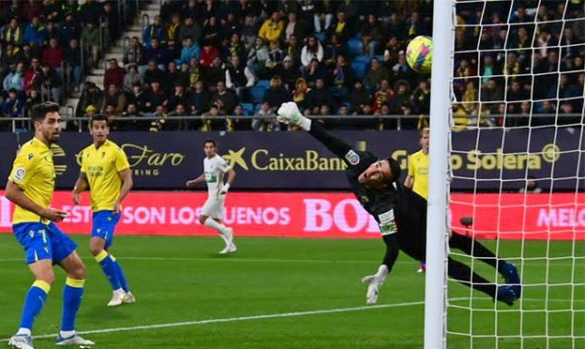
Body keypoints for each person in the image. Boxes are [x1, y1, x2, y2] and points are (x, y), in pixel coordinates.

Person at [275, 102, 521, 306]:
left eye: (377, 173)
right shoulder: (362, 164)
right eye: (375, 167)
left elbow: (391, 248)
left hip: (416, 208)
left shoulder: (384, 204)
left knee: (456, 239)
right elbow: (331, 142)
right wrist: (300, 118)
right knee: (447, 266)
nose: (370, 172)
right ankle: (498, 292)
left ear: (382, 183)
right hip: (410, 238)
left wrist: (381, 275)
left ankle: (506, 267)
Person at [5, 102, 92, 349]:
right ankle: (22, 334)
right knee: (46, 277)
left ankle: (66, 334)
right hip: (29, 223)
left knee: (77, 270)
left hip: (44, 223)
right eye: (52, 122)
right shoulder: (30, 154)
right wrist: (43, 211)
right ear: (38, 125)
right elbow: (11, 191)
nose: (57, 126)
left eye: (58, 121)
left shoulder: (45, 151)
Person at [72, 115, 135, 307]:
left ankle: (117, 292)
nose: (100, 131)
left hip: (110, 208)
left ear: (108, 130)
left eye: (103, 127)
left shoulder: (115, 152)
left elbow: (128, 180)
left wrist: (118, 200)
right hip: (97, 208)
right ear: (90, 130)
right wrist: (76, 190)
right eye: (96, 127)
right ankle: (127, 292)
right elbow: (83, 177)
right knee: (106, 252)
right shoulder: (87, 153)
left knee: (95, 247)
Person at [186, 139, 237, 254]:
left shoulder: (219, 160)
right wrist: (194, 181)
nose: (208, 150)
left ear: (215, 148)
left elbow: (232, 173)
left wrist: (226, 187)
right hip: (212, 193)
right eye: (206, 147)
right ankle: (231, 245)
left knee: (202, 219)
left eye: (211, 147)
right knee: (216, 222)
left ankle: (228, 231)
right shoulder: (205, 160)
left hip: (218, 194)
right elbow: (206, 175)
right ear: (204, 149)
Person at [404, 127, 430, 273]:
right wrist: (404, 193)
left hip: (434, 203)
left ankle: (440, 260)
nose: (428, 140)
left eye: (430, 137)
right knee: (420, 234)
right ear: (421, 141)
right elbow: (411, 177)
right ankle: (424, 263)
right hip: (417, 201)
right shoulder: (414, 158)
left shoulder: (440, 158)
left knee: (436, 234)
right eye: (425, 138)